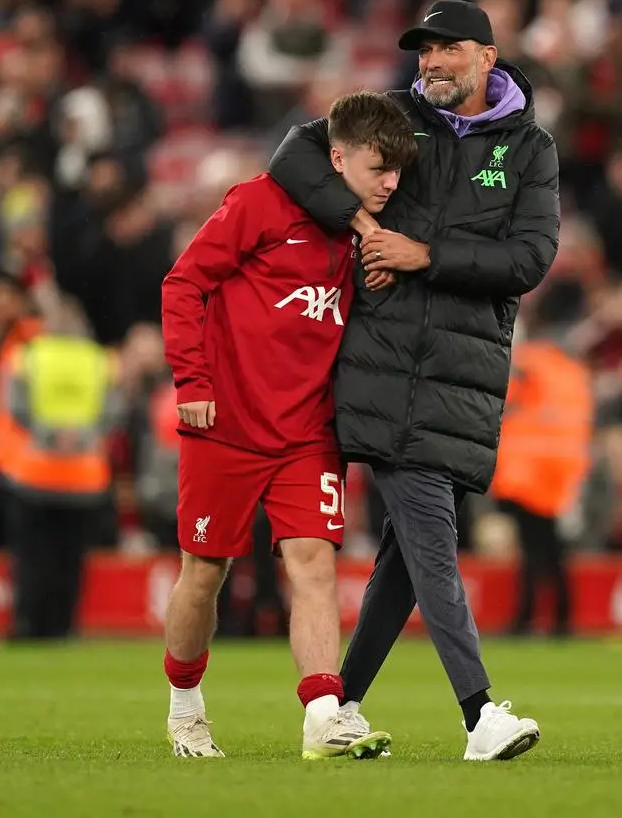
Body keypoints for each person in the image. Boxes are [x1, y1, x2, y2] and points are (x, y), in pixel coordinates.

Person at [268, 0, 559, 761]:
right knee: (432, 542)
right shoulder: (393, 116)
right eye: (422, 51)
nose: (429, 63)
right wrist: (364, 228)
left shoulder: (530, 149)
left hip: (464, 380)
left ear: (487, 58)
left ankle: (340, 707)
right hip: (384, 369)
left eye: (447, 50)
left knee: (406, 555)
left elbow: (529, 261)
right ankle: (479, 714)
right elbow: (294, 158)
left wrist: (422, 253)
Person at [159, 91, 417, 760]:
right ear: (336, 157)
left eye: (397, 170)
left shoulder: (366, 232)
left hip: (308, 430)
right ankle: (185, 703)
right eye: (377, 167)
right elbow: (183, 284)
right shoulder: (258, 204)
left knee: (314, 562)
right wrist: (192, 380)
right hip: (227, 423)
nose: (391, 182)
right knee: (205, 570)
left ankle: (323, 715)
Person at [0, 301, 119, 640]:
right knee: (71, 560)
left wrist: (50, 435)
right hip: (84, 477)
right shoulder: (100, 361)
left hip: (34, 472)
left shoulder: (27, 357)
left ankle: (28, 623)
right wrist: (80, 437)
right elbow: (114, 413)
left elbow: (15, 409)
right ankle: (64, 627)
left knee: (32, 557)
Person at [490, 300, 594, 637]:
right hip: (561, 472)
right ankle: (561, 617)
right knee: (552, 549)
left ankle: (527, 618)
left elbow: (503, 397)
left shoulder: (527, 361)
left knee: (533, 550)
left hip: (526, 470)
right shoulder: (574, 373)